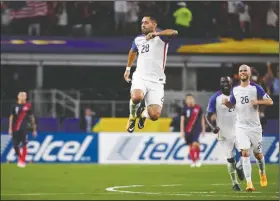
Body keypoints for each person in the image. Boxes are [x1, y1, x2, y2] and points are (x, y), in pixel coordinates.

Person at [222, 65, 273, 192]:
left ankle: (262, 173)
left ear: (249, 74)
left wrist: (257, 102)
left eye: (245, 70)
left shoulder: (256, 88)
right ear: (238, 74)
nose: (243, 72)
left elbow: (270, 101)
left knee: (258, 155)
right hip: (241, 127)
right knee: (244, 153)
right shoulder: (235, 90)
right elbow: (232, 105)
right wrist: (226, 103)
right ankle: (249, 183)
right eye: (241, 71)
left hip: (255, 127)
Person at [124, 15, 178, 133]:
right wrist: (128, 69)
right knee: (137, 97)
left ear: (154, 25)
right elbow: (132, 52)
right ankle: (132, 117)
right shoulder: (138, 39)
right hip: (140, 77)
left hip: (156, 81)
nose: (143, 24)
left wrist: (156, 34)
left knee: (154, 116)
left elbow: (174, 32)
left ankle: (143, 113)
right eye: (142, 22)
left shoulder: (162, 38)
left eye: (146, 22)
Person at [205, 76, 244, 191]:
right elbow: (207, 116)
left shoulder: (238, 94)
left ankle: (239, 166)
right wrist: (212, 127)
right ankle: (235, 183)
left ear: (232, 82)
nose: (225, 83)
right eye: (222, 82)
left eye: (227, 81)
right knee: (230, 160)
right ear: (220, 84)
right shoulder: (215, 98)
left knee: (246, 153)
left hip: (238, 130)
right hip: (224, 134)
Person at [8, 91, 37, 168]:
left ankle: (22, 161)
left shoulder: (28, 106)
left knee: (24, 144)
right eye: (22, 95)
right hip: (15, 128)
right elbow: (11, 117)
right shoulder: (14, 106)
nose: (23, 97)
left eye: (24, 95)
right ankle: (20, 158)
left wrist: (34, 129)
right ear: (18, 97)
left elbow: (32, 118)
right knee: (15, 145)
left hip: (24, 128)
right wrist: (10, 128)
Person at [180, 94, 206, 167]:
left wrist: (203, 129)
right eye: (187, 99)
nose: (189, 100)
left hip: (197, 128)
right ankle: (193, 161)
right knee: (191, 145)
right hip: (188, 129)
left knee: (195, 143)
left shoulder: (198, 108)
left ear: (193, 99)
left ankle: (197, 159)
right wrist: (182, 131)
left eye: (190, 99)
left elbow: (202, 119)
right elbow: (182, 120)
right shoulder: (184, 108)